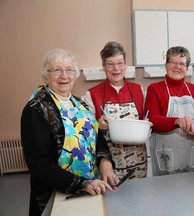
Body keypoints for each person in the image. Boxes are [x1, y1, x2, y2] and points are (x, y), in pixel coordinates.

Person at [21, 48, 119, 216]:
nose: (64, 76)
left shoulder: (80, 104)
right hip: (57, 193)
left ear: (76, 74)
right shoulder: (36, 108)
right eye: (57, 70)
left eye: (69, 70)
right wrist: (81, 184)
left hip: (90, 188)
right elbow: (38, 162)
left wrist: (105, 161)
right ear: (46, 74)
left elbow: (96, 138)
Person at [144, 46, 194, 176]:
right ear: (166, 65)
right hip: (167, 154)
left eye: (182, 63)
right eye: (173, 62)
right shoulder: (155, 89)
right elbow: (151, 119)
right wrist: (176, 121)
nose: (177, 67)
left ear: (187, 68)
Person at [84, 41, 147, 179]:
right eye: (110, 64)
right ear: (103, 66)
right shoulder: (92, 94)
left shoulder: (139, 91)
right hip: (109, 163)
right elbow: (87, 133)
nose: (116, 68)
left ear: (125, 64)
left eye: (120, 63)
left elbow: (146, 120)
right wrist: (98, 125)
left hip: (138, 161)